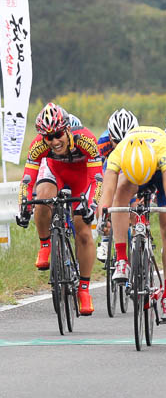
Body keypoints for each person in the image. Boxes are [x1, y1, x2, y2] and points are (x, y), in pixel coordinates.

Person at [15, 103, 102, 316]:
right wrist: (23, 207)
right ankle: (45, 244)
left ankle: (83, 290)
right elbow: (27, 180)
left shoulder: (87, 140)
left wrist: (91, 205)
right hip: (56, 174)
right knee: (43, 197)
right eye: (48, 137)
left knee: (83, 231)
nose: (54, 141)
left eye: (58, 135)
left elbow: (97, 179)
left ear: (68, 130)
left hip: (82, 178)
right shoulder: (39, 145)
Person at [100, 126, 166, 320]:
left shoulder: (164, 153)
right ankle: (122, 259)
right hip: (133, 170)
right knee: (119, 195)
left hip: (160, 172)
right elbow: (107, 191)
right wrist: (102, 216)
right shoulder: (119, 153)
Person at [95, 108, 139, 262]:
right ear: (110, 137)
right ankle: (106, 239)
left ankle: (138, 238)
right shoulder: (102, 143)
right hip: (111, 167)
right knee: (103, 199)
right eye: (117, 142)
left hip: (133, 168)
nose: (121, 147)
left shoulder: (142, 141)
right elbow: (98, 176)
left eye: (126, 142)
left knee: (135, 207)